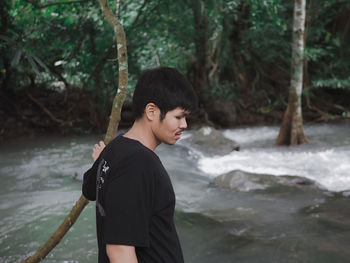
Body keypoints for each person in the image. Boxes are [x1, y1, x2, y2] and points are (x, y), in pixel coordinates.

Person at [82, 67, 197, 263]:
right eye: (178, 117)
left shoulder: (115, 149)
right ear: (151, 111)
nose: (184, 125)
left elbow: (89, 189)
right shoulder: (138, 163)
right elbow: (119, 251)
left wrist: (100, 161)